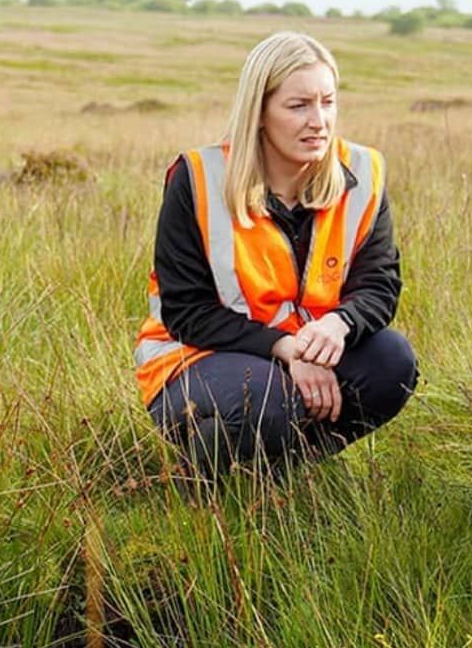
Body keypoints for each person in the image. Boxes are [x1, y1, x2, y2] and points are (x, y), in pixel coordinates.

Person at [134, 31, 417, 477]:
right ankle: (202, 483)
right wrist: (286, 350)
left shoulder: (364, 174)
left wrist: (338, 324)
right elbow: (186, 312)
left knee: (392, 361)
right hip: (197, 358)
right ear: (260, 112)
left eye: (328, 102)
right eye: (298, 106)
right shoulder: (198, 179)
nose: (319, 121)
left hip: (304, 350)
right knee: (265, 401)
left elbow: (380, 284)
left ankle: (282, 470)